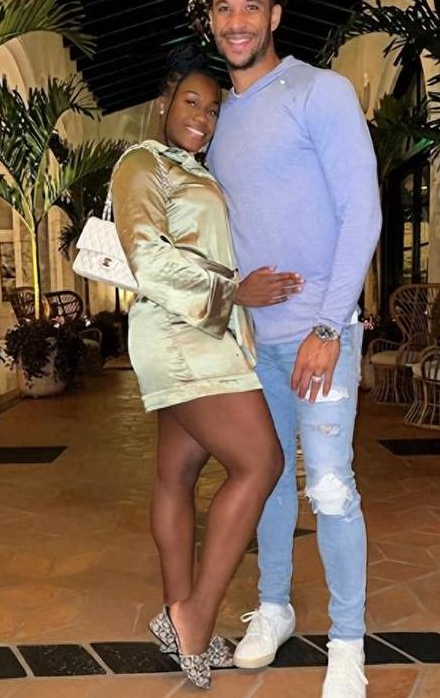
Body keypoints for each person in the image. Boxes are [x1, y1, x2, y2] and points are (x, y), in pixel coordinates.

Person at [203, 0, 382, 698]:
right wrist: (235, 293)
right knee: (267, 479)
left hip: (321, 338)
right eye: (223, 8)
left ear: (275, 15)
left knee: (331, 487)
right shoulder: (217, 122)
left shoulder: (320, 92)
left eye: (251, 6)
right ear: (211, 20)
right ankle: (273, 607)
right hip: (253, 345)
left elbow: (362, 213)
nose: (237, 21)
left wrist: (329, 328)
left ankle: (347, 642)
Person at [112, 46, 302, 690]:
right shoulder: (143, 163)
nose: (202, 117)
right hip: (183, 333)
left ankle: (176, 616)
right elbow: (146, 256)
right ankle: (194, 616)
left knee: (177, 473)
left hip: (205, 331)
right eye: (191, 102)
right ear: (164, 101)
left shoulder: (192, 168)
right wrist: (234, 294)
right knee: (262, 461)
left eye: (213, 109)